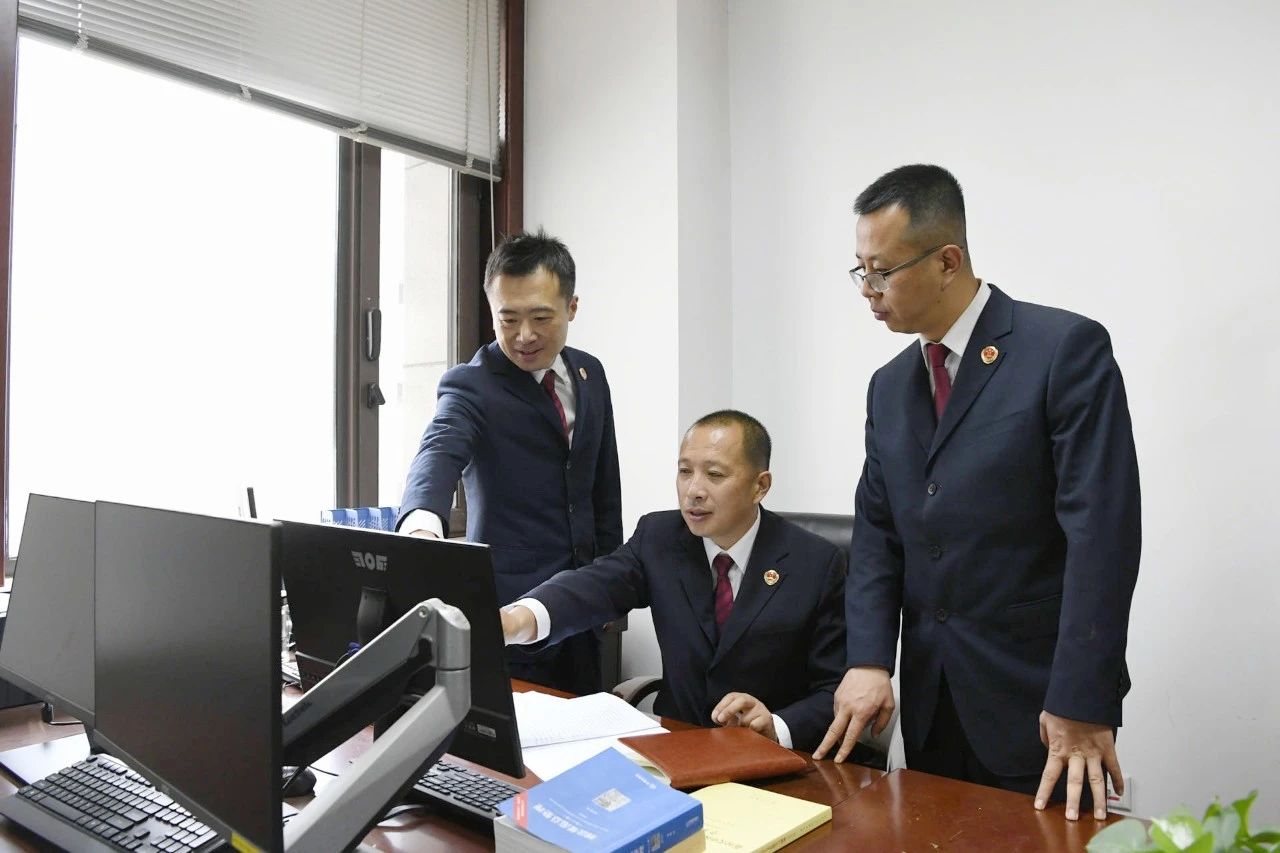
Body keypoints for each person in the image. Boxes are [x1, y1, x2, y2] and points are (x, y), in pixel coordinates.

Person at [813, 165, 1141, 823]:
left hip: (1042, 703)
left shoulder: (1062, 350)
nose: (868, 291)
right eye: (860, 271)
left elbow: (1102, 535)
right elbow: (877, 534)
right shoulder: (890, 386)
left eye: (882, 272)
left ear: (947, 261)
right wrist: (870, 658)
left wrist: (1082, 699)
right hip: (934, 702)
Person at [501, 411, 846, 752]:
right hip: (680, 747)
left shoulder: (815, 562)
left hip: (772, 760)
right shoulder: (659, 537)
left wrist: (777, 726)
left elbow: (838, 688)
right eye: (684, 471)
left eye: (714, 474)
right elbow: (594, 586)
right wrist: (518, 620)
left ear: (760, 486)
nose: (693, 490)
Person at [397, 230, 622, 695]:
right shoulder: (471, 385)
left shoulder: (590, 373)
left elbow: (604, 485)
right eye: (508, 319)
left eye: (541, 317)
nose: (524, 336)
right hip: (507, 615)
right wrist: (421, 528)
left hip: (583, 608)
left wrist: (612, 580)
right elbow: (438, 450)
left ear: (571, 307)